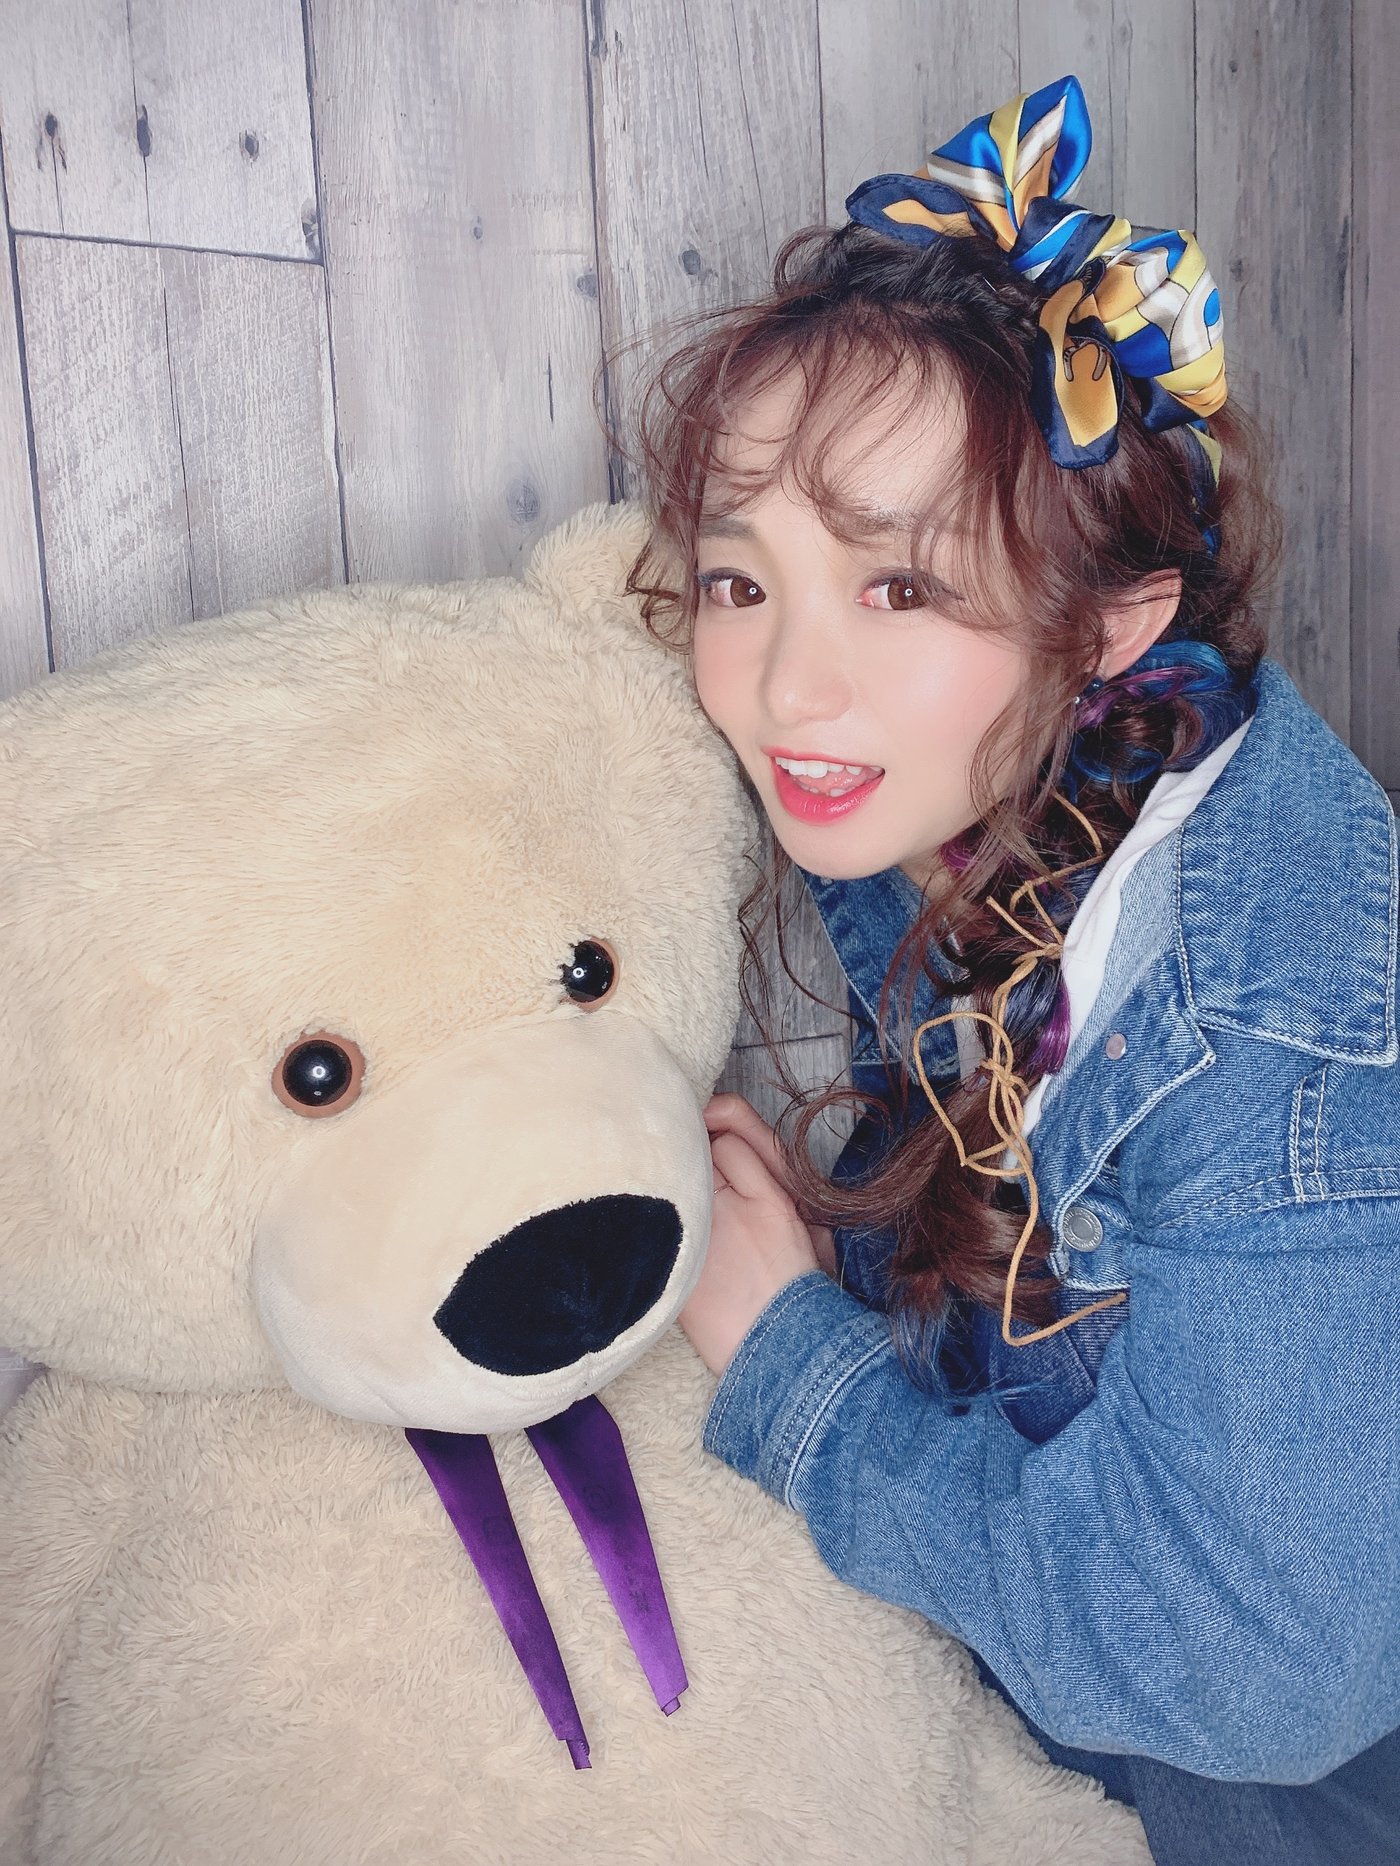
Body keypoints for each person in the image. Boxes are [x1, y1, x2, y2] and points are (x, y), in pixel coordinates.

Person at [618, 75, 1400, 1866]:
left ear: (1111, 620)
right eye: (741, 581)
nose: (788, 689)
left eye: (902, 590)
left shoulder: (1270, 1043)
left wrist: (792, 1367)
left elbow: (1252, 1679)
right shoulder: (977, 803)